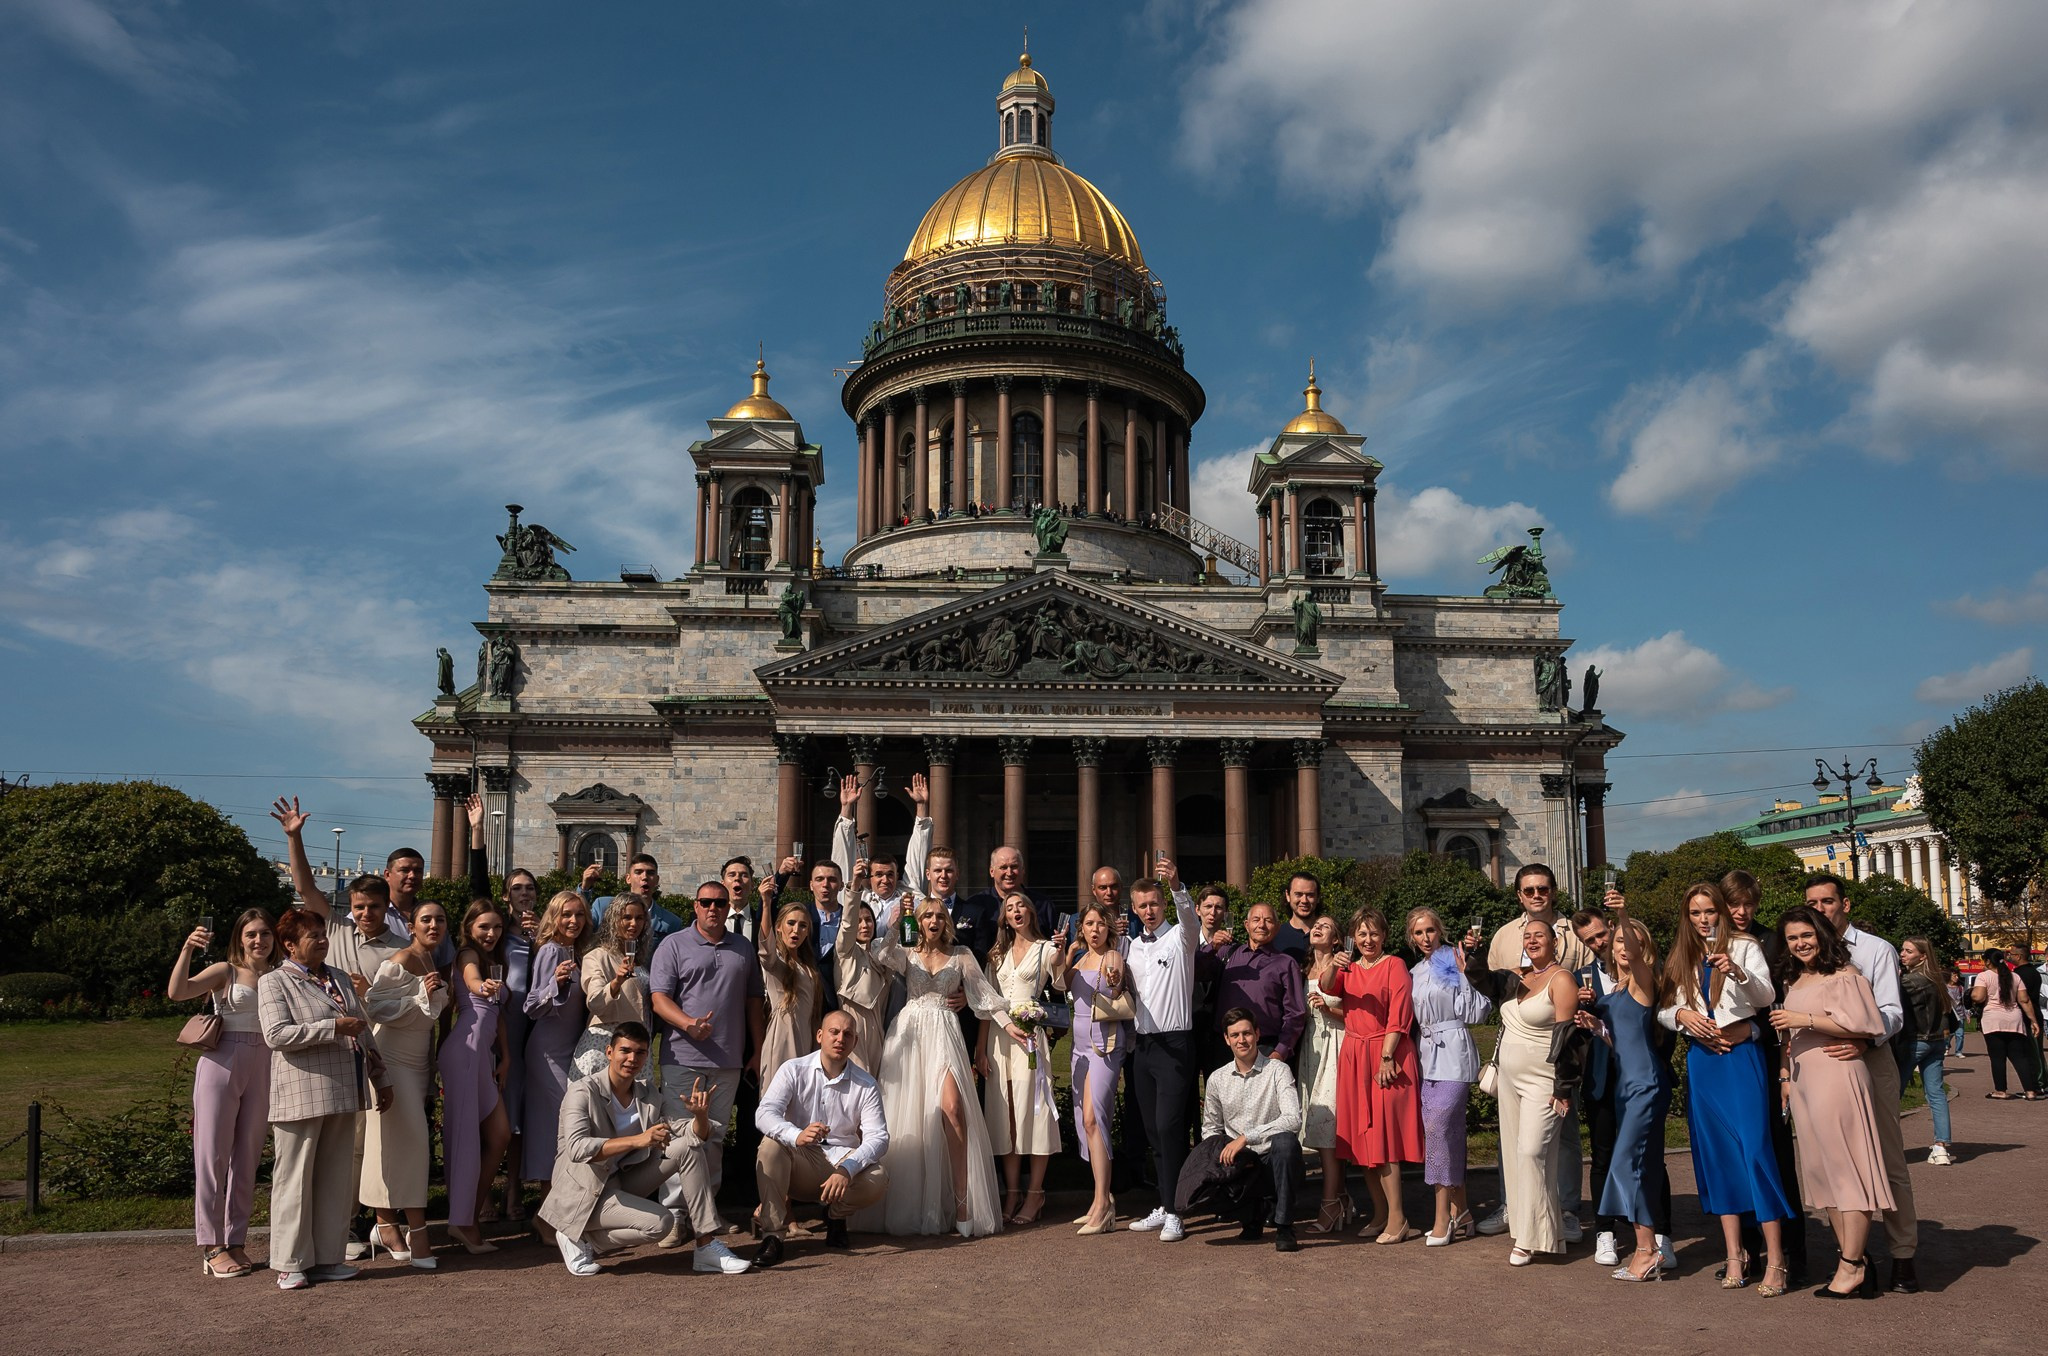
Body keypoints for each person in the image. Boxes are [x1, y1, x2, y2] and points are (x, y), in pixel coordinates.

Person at [858, 895, 1033, 1236]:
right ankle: (914, 1203)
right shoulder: (907, 951)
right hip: (909, 1034)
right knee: (911, 1116)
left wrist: (1012, 1025)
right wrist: (901, 920)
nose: (934, 921)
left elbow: (985, 997)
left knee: (953, 1109)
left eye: (939, 916)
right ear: (919, 921)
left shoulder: (962, 955)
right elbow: (880, 952)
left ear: (947, 921)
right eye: (926, 917)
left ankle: (963, 1202)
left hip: (946, 1033)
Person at [1660, 880, 1792, 1291]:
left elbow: (1766, 994)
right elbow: (1663, 1008)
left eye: (1709, 911)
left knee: (1755, 1151)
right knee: (1718, 1157)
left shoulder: (1744, 946)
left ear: (1721, 910)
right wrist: (1682, 1016)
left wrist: (1737, 971)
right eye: (1695, 913)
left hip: (1741, 1060)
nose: (1703, 920)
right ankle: (1735, 1255)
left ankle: (1778, 1260)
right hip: (1704, 1062)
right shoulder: (1682, 953)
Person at [542, 1023, 751, 1277]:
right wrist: (638, 1140)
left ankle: (706, 1247)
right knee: (662, 1224)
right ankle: (578, 1235)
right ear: (609, 1052)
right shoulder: (582, 1091)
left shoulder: (647, 1092)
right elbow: (576, 1148)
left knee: (689, 1147)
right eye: (625, 1051)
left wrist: (700, 1118)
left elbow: (682, 1131)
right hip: (582, 1193)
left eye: (640, 1052)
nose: (632, 1059)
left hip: (619, 1182)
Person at [259, 908, 392, 1290]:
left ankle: (329, 1258)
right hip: (300, 1093)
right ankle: (289, 1262)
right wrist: (332, 1027)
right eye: (312, 936)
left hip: (344, 1090)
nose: (321, 940)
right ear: (289, 945)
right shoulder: (274, 982)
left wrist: (381, 1078)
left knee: (334, 1180)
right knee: (294, 1179)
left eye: (322, 933)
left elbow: (362, 1030)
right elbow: (277, 1035)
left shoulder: (336, 977)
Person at [1764, 905, 1892, 1300]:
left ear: (1821, 934)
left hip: (1837, 1076)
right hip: (1805, 1080)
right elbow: (1789, 1033)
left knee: (1847, 1169)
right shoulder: (1798, 978)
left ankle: (1852, 1265)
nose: (1800, 943)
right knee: (1824, 1173)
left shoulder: (1845, 976)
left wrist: (1804, 1019)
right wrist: (1785, 1075)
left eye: (1806, 935)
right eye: (1792, 938)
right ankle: (1853, 1261)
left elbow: (1866, 1024)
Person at [1803, 873, 1922, 1292]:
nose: (1819, 910)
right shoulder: (1806, 953)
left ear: (1845, 904)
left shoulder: (1875, 950)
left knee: (1887, 1161)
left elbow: (1892, 1011)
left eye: (1827, 902)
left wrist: (1862, 1038)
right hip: (1826, 1069)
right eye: (1812, 903)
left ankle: (1903, 1254)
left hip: (1870, 1060)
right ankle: (1853, 1258)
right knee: (1838, 1163)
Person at [1475, 861, 1591, 1242]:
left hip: (1556, 1051)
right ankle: (1513, 1204)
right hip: (1515, 1045)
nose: (1537, 895)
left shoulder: (1573, 932)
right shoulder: (1505, 935)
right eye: (1529, 890)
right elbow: (1493, 986)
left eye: (1543, 889)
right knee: (1510, 1136)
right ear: (1519, 895)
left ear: (1553, 892)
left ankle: (1567, 1208)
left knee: (1566, 1134)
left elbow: (1591, 980)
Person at [168, 909, 277, 1278]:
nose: (259, 940)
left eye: (265, 933)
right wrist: (186, 949)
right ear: (239, 938)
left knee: (247, 1158)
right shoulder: (225, 971)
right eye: (251, 934)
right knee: (212, 1155)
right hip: (222, 1061)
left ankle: (236, 1241)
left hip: (265, 1063)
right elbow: (177, 992)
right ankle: (211, 1245)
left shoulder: (280, 975)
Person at [648, 880, 765, 1214]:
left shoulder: (742, 947)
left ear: (729, 908)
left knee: (713, 1137)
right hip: (682, 1057)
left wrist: (757, 1050)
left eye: (720, 903)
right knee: (679, 1137)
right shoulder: (673, 945)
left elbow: (753, 1002)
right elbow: (659, 999)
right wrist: (688, 1024)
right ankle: (674, 1214)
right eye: (706, 902)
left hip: (727, 1060)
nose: (713, 908)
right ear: (695, 906)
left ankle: (705, 1214)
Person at [1720, 868, 1808, 1284]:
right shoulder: (1705, 937)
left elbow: (1783, 1001)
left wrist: (1760, 1034)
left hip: (1766, 1053)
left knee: (1771, 1152)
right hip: (1720, 1057)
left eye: (1748, 904)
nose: (1741, 911)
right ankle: (1745, 1251)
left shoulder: (1771, 942)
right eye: (1734, 903)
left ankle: (1791, 1251)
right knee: (1733, 1155)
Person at [754, 1010, 892, 1266]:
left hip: (840, 1165)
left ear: (855, 1043)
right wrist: (797, 1134)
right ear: (820, 1035)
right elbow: (764, 1114)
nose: (840, 1039)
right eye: (834, 1032)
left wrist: (847, 1169)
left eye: (847, 1034)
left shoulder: (866, 1083)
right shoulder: (793, 1070)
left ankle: (835, 1217)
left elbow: (879, 1137)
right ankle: (773, 1236)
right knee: (770, 1146)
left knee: (878, 1177)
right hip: (800, 1162)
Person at [1583, 914, 1675, 1283]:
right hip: (1627, 1086)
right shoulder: (1618, 989)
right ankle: (1648, 1249)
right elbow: (1624, 1042)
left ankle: (1646, 1251)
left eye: (1629, 941)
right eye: (1618, 941)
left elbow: (1636, 956)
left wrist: (1621, 914)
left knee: (1625, 1165)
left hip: (1645, 1085)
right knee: (1640, 1165)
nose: (1623, 947)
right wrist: (1597, 1029)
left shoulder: (1643, 980)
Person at [359, 900, 451, 1269]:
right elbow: (374, 1007)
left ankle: (386, 1224)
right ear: (411, 925)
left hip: (417, 1063)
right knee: (410, 1144)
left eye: (440, 920)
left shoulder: (431, 961)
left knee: (395, 1143)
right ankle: (417, 1231)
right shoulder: (399, 961)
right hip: (391, 1059)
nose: (434, 926)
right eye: (426, 920)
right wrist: (419, 995)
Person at [1328, 907, 1425, 1243]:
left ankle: (1398, 1219)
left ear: (1384, 935)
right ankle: (1381, 1213)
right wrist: (1333, 964)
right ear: (1353, 937)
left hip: (1387, 1054)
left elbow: (1400, 1016)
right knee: (1363, 1140)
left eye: (1374, 933)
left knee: (1384, 1139)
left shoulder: (1395, 965)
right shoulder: (1349, 967)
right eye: (1362, 933)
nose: (1368, 940)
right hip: (1355, 1056)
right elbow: (1329, 987)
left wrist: (1386, 1057)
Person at [1123, 858, 1202, 1243]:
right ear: (1135, 909)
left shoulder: (1180, 938)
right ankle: (1165, 1202)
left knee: (1171, 1127)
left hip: (1175, 1042)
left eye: (1154, 903)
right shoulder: (1133, 947)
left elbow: (1191, 920)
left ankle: (1176, 1212)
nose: (1149, 911)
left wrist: (1176, 886)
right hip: (1144, 1046)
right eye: (1142, 906)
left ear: (1162, 904)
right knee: (1154, 1130)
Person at [1405, 907, 1492, 1247]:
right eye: (1418, 933)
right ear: (1411, 938)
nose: (1425, 938)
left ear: (1440, 930)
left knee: (1439, 1127)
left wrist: (1464, 974)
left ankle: (1442, 1216)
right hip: (1426, 1059)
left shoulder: (1454, 960)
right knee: (1446, 1134)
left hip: (1455, 1054)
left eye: (1430, 930)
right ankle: (1464, 1211)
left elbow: (1477, 1012)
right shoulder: (1414, 971)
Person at [979, 892, 1067, 1226]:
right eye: (1009, 908)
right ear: (1004, 918)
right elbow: (988, 1003)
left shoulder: (1045, 949)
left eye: (1021, 907)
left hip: (1031, 1039)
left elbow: (1058, 985)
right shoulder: (996, 954)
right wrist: (980, 1049)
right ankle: (1012, 1192)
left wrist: (1060, 959)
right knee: (1007, 1117)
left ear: (1031, 912)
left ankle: (1035, 1192)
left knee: (1036, 1113)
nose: (1016, 912)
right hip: (1000, 1043)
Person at [1183, 1008, 1303, 1252]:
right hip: (1239, 1164)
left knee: (1286, 1144)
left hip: (1272, 1161)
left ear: (1257, 1034)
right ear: (1227, 1039)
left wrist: (1246, 1138)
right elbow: (1210, 1130)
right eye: (1235, 1035)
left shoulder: (1278, 1071)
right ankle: (1251, 1215)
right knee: (1203, 1175)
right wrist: (1231, 1151)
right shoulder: (1217, 1079)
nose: (1242, 1040)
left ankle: (1284, 1226)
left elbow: (1292, 1119)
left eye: (1247, 1033)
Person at [444, 902, 511, 1254]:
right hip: (465, 1051)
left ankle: (465, 1216)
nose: (491, 933)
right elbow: (472, 981)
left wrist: (506, 1055)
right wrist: (480, 985)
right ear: (470, 927)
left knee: (499, 1135)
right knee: (468, 1137)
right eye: (484, 926)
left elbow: (497, 1015)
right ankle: (464, 1222)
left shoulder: (495, 960)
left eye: (498, 927)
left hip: (483, 1056)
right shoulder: (468, 955)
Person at [522, 890, 591, 1219]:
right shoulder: (550, 950)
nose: (573, 921)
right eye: (566, 915)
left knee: (567, 1126)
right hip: (547, 1051)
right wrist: (555, 983)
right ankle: (546, 1216)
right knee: (558, 1128)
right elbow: (532, 1005)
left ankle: (559, 1212)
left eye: (579, 914)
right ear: (554, 917)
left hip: (572, 1051)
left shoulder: (580, 950)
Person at [1065, 900, 1132, 1235]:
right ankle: (1098, 1199)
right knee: (1085, 1122)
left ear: (1109, 928)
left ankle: (1104, 1204)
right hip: (1078, 1050)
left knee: (1095, 1118)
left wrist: (1115, 979)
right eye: (1089, 924)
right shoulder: (1079, 959)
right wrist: (1067, 954)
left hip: (1104, 1047)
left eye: (1100, 924)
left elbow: (1117, 984)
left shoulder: (1112, 957)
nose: (1095, 929)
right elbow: (1062, 985)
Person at [832, 772, 934, 936]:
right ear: (869, 877)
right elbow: (841, 862)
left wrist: (921, 806)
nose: (885, 880)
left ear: (897, 875)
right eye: (879, 874)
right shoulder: (859, 899)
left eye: (890, 874)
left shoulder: (908, 898)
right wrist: (846, 808)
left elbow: (919, 854)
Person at [1205, 902, 1306, 1063]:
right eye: (1256, 919)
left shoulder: (1285, 963)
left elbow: (1295, 1013)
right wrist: (1212, 948)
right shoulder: (1227, 953)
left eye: (1268, 920)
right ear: (1246, 925)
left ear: (1278, 927)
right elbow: (1196, 972)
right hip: (1224, 1047)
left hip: (1264, 1047)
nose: (1262, 925)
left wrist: (1280, 1051)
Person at [1298, 915, 1347, 1233]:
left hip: (1336, 1046)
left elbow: (1357, 1013)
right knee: (1315, 1125)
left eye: (1326, 926)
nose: (1318, 927)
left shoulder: (1343, 966)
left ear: (1336, 940)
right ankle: (1342, 1198)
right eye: (1316, 925)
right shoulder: (1303, 970)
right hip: (1310, 1049)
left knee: (1328, 1128)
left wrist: (1329, 1010)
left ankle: (1329, 1205)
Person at [572, 894, 651, 1080]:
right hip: (604, 1044)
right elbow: (595, 1002)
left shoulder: (640, 960)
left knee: (636, 1107)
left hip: (637, 1046)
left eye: (639, 918)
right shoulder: (597, 956)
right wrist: (617, 982)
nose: (634, 923)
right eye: (627, 917)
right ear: (614, 920)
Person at [1898, 937, 1955, 1165]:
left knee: (1893, 1094)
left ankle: (1888, 1145)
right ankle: (1941, 1146)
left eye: (1908, 951)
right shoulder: (1936, 980)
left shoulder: (1910, 982)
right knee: (1936, 1094)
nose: (1902, 954)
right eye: (1902, 949)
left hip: (1915, 1041)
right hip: (1936, 1041)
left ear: (1922, 956)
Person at [758, 900, 823, 1091]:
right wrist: (765, 903)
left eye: (803, 925)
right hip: (784, 1033)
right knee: (780, 1097)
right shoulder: (777, 961)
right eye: (791, 923)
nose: (796, 930)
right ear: (778, 927)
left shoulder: (807, 964)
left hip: (807, 1034)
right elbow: (765, 952)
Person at [1974, 948, 2044, 1098]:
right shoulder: (2015, 977)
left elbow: (1979, 997)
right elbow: (2024, 1000)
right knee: (2020, 1057)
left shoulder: (1983, 976)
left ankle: (2001, 1091)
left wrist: (1972, 995)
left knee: (1997, 1057)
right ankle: (2030, 1091)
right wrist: (2034, 1021)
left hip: (1993, 1020)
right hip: (2015, 1020)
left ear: (1987, 961)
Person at [833, 902, 889, 1072]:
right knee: (856, 1078)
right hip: (852, 1021)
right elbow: (847, 924)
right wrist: (854, 889)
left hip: (877, 1023)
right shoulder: (845, 951)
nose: (864, 925)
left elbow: (891, 943)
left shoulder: (880, 955)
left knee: (876, 1079)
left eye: (868, 920)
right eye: (859, 921)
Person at [583, 854, 684, 947]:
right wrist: (584, 889)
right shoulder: (603, 907)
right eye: (638, 872)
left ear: (657, 880)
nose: (644, 877)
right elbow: (578, 926)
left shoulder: (671, 923)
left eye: (650, 873)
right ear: (628, 879)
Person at [1271, 871, 1320, 965]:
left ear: (1318, 898)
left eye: (1310, 895)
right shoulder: (1275, 936)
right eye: (1298, 894)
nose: (1304, 900)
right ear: (1288, 895)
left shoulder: (1329, 935)